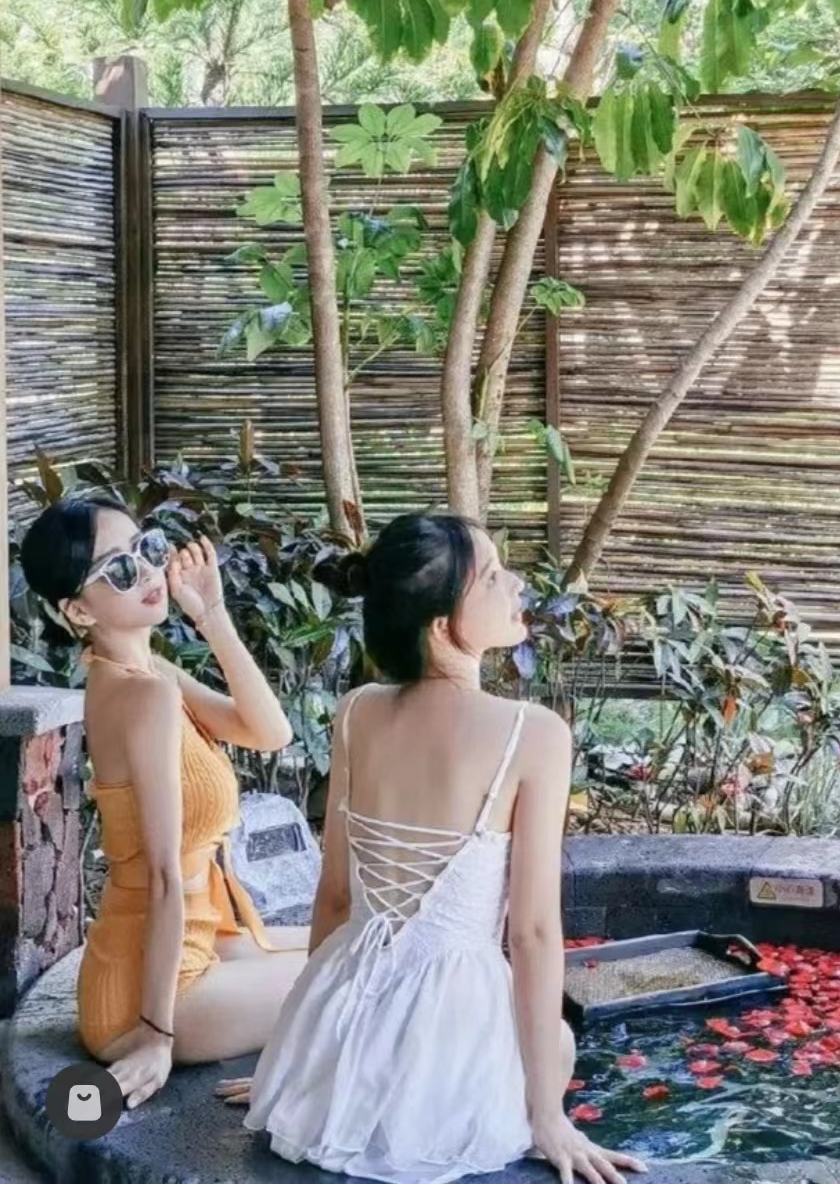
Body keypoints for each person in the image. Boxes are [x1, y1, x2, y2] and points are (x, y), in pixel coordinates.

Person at [216, 512, 645, 1184]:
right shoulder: (533, 733)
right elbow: (532, 933)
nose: (516, 584)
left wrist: (300, 1059)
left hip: (349, 1006)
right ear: (442, 625)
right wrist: (548, 1115)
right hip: (452, 1018)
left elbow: (335, 897)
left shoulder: (357, 712)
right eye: (493, 576)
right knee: (558, 1043)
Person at [19, 497, 309, 1110]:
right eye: (119, 570)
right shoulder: (142, 696)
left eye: (145, 549)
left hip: (194, 938)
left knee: (356, 939)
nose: (148, 572)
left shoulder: (147, 672)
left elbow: (269, 733)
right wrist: (156, 1035)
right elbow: (161, 875)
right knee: (360, 975)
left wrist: (213, 618)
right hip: (152, 989)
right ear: (78, 610)